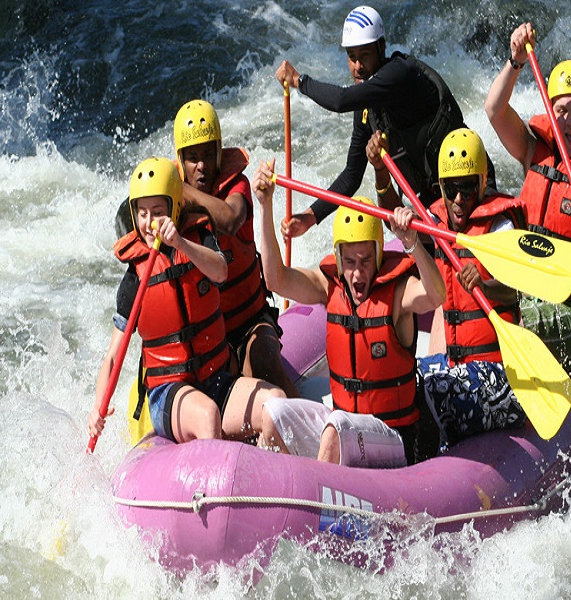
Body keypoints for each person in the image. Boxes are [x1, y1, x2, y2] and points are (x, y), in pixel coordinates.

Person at [252, 158, 446, 467]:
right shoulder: (328, 286)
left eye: (366, 260)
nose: (357, 273)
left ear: (378, 255)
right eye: (351, 262)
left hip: (393, 436)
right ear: (340, 259)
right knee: (274, 414)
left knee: (336, 428)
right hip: (345, 424)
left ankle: (316, 506)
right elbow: (275, 279)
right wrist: (265, 206)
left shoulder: (397, 294)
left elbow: (436, 295)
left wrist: (412, 244)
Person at [87, 157, 286, 444]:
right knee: (207, 416)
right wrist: (97, 408)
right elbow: (114, 356)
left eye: (157, 211)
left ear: (175, 208)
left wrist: (180, 242)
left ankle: (269, 479)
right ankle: (216, 488)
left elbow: (220, 270)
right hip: (169, 392)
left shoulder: (199, 240)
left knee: (275, 403)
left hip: (217, 379)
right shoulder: (134, 280)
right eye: (142, 213)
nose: (149, 222)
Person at [275, 4, 497, 240]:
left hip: (470, 188)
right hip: (435, 201)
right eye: (352, 57)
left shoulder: (400, 74)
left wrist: (301, 81)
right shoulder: (367, 107)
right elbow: (352, 176)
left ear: (381, 47)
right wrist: (309, 218)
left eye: (365, 55)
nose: (358, 66)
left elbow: (340, 100)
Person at [484, 23, 571, 372]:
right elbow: (494, 110)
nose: (570, 120)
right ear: (551, 112)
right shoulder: (533, 151)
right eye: (562, 110)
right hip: (527, 291)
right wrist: (515, 61)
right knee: (468, 298)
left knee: (511, 316)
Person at [172, 99, 299, 397]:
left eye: (207, 154)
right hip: (208, 339)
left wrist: (184, 191)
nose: (201, 165)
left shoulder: (237, 186)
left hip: (251, 323)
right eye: (192, 157)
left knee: (263, 361)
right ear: (180, 160)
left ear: (219, 153)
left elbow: (230, 219)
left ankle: (313, 430)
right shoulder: (171, 203)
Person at [417, 128, 526, 447]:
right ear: (441, 187)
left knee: (432, 390)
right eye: (451, 190)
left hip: (502, 379)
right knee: (402, 384)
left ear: (482, 184)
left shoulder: (501, 228)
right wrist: (382, 175)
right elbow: (393, 216)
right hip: (456, 370)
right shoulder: (439, 224)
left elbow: (519, 292)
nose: (459, 200)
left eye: (467, 189)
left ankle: (425, 469)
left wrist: (485, 286)